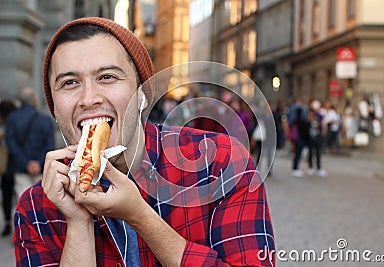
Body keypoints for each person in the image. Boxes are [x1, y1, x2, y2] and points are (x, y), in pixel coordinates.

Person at [13, 17, 275, 266]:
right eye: (70, 83)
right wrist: (78, 222)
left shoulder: (220, 162)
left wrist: (140, 216)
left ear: (143, 95)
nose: (88, 98)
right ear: (54, 108)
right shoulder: (36, 208)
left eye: (107, 77)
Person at [6, 88, 55, 203]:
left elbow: (11, 143)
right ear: (34, 101)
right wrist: (38, 162)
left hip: (20, 169)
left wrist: (26, 163)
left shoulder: (12, 119)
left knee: (23, 201)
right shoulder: (45, 120)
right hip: (41, 169)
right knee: (41, 201)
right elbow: (49, 145)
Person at [0, 99, 17, 236]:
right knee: (18, 194)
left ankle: (7, 222)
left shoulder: (7, 123)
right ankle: (16, 222)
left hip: (5, 165)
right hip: (15, 163)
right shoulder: (16, 121)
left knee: (6, 194)